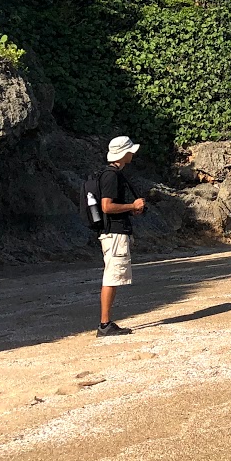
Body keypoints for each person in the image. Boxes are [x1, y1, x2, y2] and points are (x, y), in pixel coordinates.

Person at [97, 134, 146, 338]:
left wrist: (128, 210)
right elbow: (107, 206)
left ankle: (106, 322)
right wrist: (132, 206)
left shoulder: (112, 173)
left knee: (113, 277)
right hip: (114, 234)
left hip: (114, 232)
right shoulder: (112, 175)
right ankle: (104, 324)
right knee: (111, 277)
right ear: (125, 153)